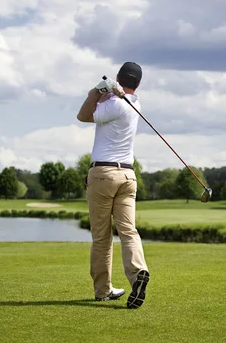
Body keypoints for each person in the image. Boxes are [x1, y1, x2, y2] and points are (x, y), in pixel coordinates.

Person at [76, 61, 150, 309]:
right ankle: (138, 271)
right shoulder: (135, 104)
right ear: (138, 83)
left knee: (101, 237)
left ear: (118, 77)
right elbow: (112, 99)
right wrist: (110, 90)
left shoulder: (115, 104)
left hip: (103, 174)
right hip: (128, 177)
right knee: (129, 231)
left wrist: (98, 89)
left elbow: (83, 115)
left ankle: (103, 290)